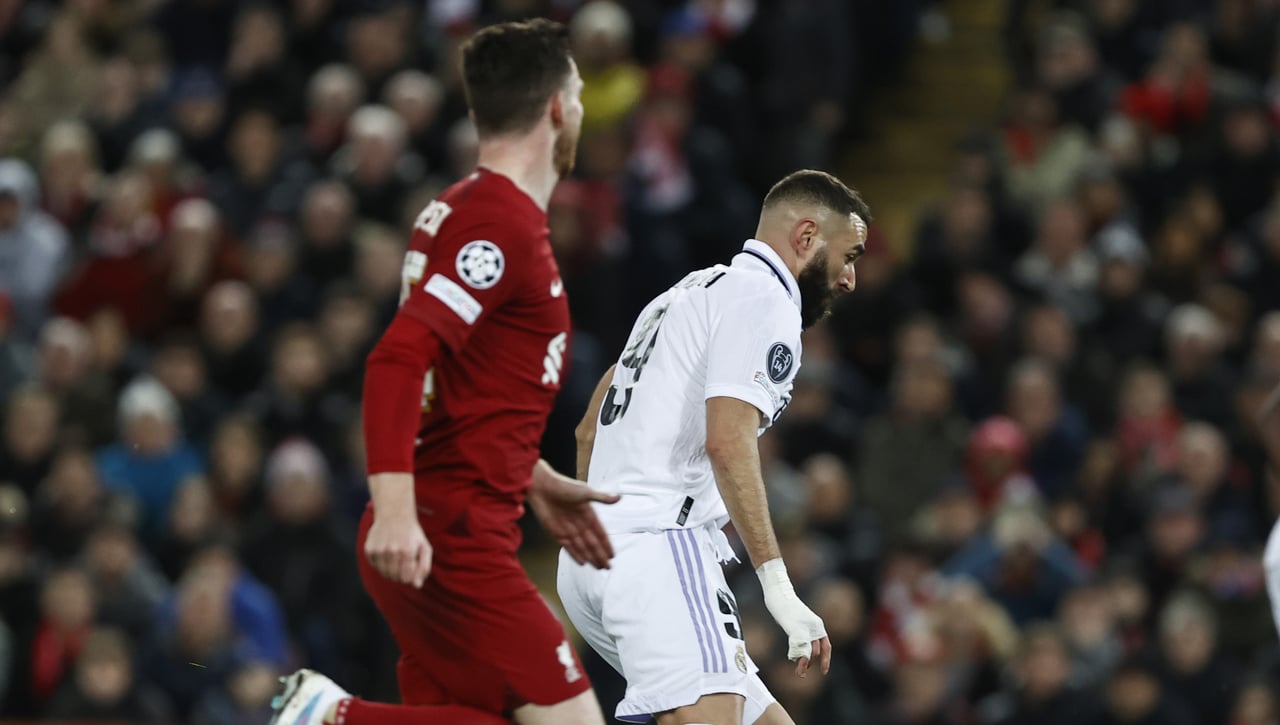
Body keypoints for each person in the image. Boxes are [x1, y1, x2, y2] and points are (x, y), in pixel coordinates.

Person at [271, 19, 618, 725]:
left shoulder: (462, 208)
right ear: (556, 107)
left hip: (455, 516)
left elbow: (459, 384)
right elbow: (400, 357)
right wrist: (396, 510)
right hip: (449, 533)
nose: (579, 110)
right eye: (577, 94)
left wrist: (528, 470)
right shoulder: (499, 223)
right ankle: (329, 717)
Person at [558, 169, 871, 725]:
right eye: (849, 255)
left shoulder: (684, 293)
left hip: (595, 559)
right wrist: (779, 589)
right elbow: (727, 442)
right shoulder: (767, 301)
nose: (849, 278)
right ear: (805, 237)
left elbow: (589, 426)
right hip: (660, 544)